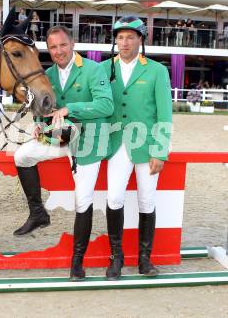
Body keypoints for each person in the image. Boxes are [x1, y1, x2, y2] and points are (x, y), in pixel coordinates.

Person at [13, 25, 114, 281]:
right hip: (60, 137)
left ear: (73, 44)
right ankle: (37, 212)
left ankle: (77, 262)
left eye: (63, 45)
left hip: (89, 141)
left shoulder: (94, 68)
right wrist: (38, 123)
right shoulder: (46, 74)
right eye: (53, 47)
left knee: (83, 199)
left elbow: (106, 105)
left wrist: (70, 109)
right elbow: (42, 107)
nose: (58, 51)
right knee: (21, 156)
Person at [101, 16, 172, 280]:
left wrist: (160, 150)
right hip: (116, 144)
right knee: (114, 198)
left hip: (148, 146)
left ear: (141, 40)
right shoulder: (104, 69)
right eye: (120, 37)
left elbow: (165, 113)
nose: (124, 42)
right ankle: (116, 257)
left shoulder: (157, 70)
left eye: (130, 37)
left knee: (146, 200)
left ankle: (145, 258)